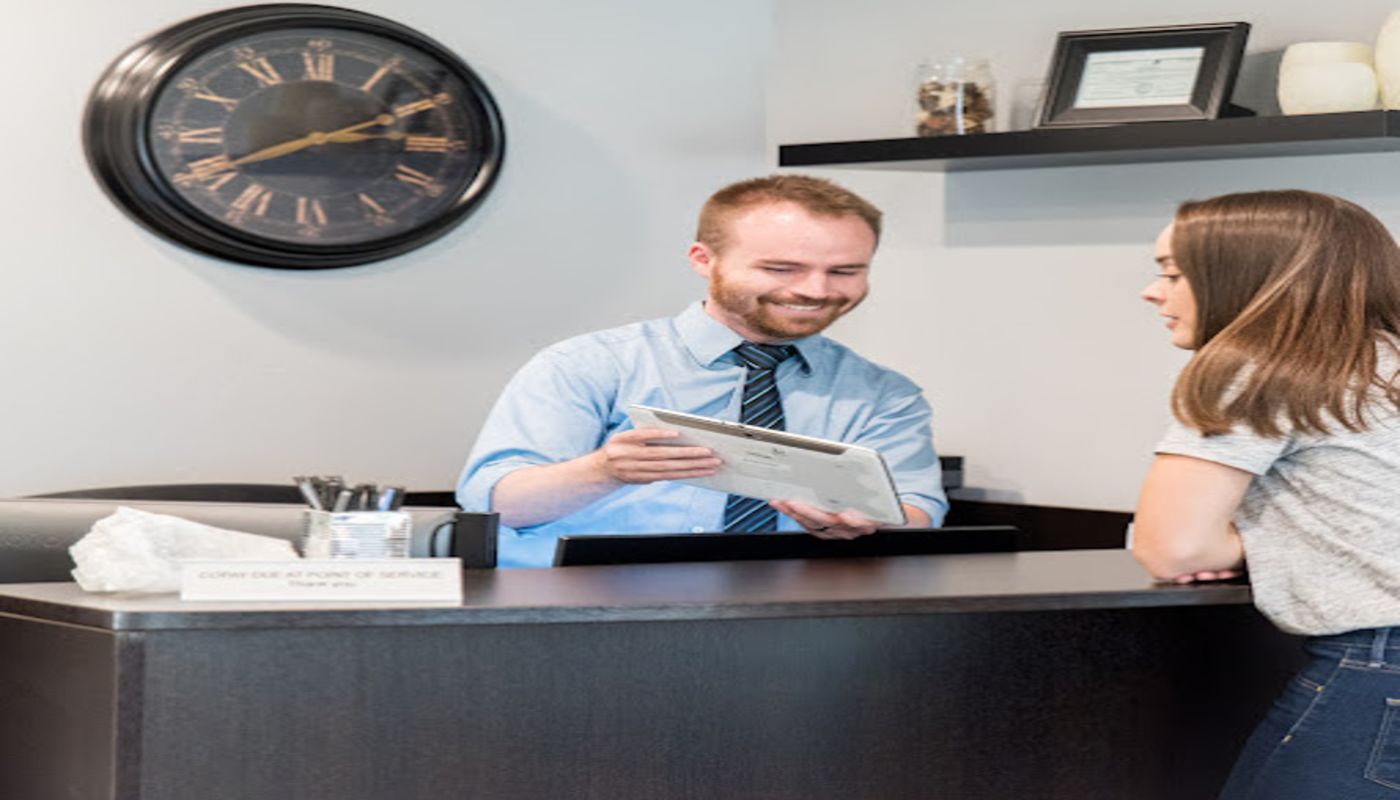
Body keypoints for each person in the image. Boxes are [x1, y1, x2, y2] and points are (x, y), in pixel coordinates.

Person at [458, 174, 947, 568]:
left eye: (845, 271)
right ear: (703, 260)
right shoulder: (588, 366)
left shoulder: (884, 394)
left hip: (797, 615)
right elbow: (495, 505)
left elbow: (917, 509)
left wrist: (869, 522)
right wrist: (603, 471)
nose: (815, 290)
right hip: (585, 612)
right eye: (781, 269)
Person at [1133, 189, 1400, 798]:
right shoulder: (1385, 362)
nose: (1152, 292)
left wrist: (1239, 544)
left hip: (1378, 672)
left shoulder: (1262, 369)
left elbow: (1173, 547)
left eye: (1173, 274)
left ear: (1246, 277)